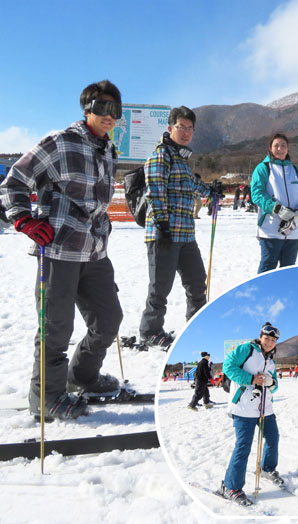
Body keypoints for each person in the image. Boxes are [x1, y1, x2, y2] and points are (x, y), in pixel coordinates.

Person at [0, 80, 125, 419]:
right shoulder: (60, 142)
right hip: (59, 253)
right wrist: (24, 220)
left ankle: (81, 377)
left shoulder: (109, 151)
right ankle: (47, 398)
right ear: (87, 109)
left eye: (115, 109)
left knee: (109, 319)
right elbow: (14, 182)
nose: (109, 115)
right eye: (101, 107)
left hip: (95, 253)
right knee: (56, 328)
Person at [138, 106, 224, 349]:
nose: (185, 132)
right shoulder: (160, 155)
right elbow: (155, 192)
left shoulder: (182, 161)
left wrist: (212, 190)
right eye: (181, 127)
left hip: (186, 235)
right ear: (170, 128)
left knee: (197, 282)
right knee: (160, 287)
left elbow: (194, 188)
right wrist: (162, 223)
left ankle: (196, 325)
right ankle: (150, 331)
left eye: (189, 128)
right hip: (163, 234)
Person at [219, 322, 282, 506]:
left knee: (273, 438)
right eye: (267, 338)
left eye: (273, 340)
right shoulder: (247, 349)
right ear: (260, 337)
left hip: (265, 407)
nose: (270, 342)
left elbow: (275, 384)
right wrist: (251, 379)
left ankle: (267, 468)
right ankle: (231, 487)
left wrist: (271, 383)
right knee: (243, 447)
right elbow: (228, 367)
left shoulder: (271, 359)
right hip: (244, 407)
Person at [251, 133, 298, 273]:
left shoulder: (295, 170)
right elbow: (257, 194)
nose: (280, 148)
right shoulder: (263, 168)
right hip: (270, 230)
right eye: (276, 145)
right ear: (270, 148)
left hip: (293, 231)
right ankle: (263, 294)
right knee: (267, 269)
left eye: (283, 145)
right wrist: (277, 209)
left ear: (288, 148)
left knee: (288, 271)